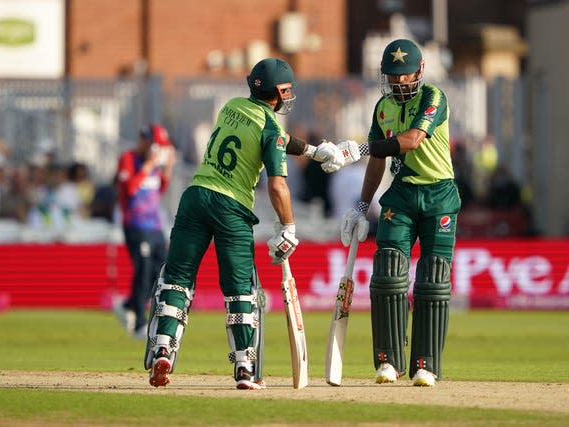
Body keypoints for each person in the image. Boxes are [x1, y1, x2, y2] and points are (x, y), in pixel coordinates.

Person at [143, 57, 346, 390]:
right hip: (231, 207)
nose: (288, 96)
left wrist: (314, 151)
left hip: (195, 196)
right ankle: (244, 368)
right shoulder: (271, 128)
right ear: (276, 92)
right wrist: (289, 227)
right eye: (286, 90)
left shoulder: (232, 107)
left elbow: (277, 138)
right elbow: (278, 182)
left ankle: (164, 345)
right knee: (240, 291)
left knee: (178, 279)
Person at [331, 39, 461, 387]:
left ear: (419, 71)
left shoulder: (434, 98)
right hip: (401, 194)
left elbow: (412, 139)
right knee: (388, 273)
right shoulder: (382, 107)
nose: (399, 83)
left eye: (404, 75)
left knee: (433, 280)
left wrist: (355, 148)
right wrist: (361, 205)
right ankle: (388, 361)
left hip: (439, 195)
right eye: (392, 76)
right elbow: (378, 160)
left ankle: (426, 365)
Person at [113, 124, 177, 340]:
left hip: (155, 225)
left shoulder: (156, 164)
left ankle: (129, 305)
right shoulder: (129, 158)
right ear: (144, 141)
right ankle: (139, 321)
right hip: (135, 224)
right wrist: (149, 165)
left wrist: (167, 168)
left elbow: (159, 189)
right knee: (142, 269)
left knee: (161, 271)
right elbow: (130, 189)